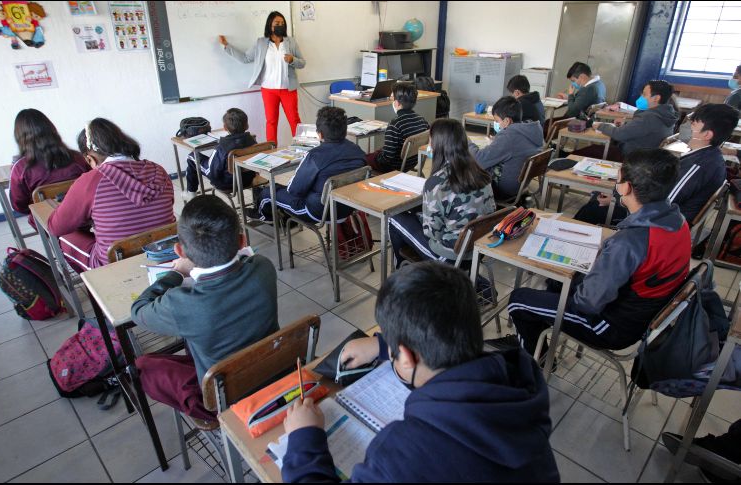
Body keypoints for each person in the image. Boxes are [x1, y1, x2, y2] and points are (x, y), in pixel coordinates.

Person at [282, 261, 560, 482]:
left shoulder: (403, 454)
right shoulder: (518, 384)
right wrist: (384, 346)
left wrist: (304, 437)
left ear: (405, 356)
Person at [508, 149, 690, 356]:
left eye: (617, 179)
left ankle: (532, 363)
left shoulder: (629, 242)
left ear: (626, 187)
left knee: (518, 299)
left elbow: (587, 303)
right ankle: (539, 338)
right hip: (643, 313)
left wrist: (583, 274)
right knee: (555, 283)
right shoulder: (678, 221)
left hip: (611, 326)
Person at [132, 195, 279, 428]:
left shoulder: (181, 304)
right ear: (242, 241)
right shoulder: (263, 268)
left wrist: (176, 274)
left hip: (226, 400)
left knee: (143, 366)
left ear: (179, 250)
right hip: (274, 374)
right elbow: (244, 264)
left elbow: (138, 310)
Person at [575, 103, 735, 228]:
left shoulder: (699, 166)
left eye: (693, 123)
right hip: (659, 215)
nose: (687, 126)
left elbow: (663, 205)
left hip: (655, 224)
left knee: (594, 207)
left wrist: (619, 201)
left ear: (707, 134)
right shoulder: (706, 156)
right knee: (607, 194)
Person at [47, 118, 176, 272]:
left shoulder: (90, 181)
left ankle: (94, 286)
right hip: (165, 252)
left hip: (114, 263)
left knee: (64, 237)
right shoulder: (158, 170)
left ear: (90, 159)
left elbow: (55, 227)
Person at [388, 118, 496, 268]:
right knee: (416, 214)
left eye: (430, 141)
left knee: (394, 218)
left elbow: (433, 234)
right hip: (477, 250)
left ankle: (402, 271)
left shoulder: (436, 183)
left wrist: (421, 217)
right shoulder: (481, 174)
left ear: (438, 145)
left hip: (449, 256)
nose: (429, 146)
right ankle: (476, 281)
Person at [249, 106, 365, 223]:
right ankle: (282, 214)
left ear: (319, 135)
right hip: (349, 206)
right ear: (345, 130)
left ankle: (264, 217)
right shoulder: (357, 150)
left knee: (268, 192)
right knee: (283, 189)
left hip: (318, 211)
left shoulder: (314, 156)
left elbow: (294, 190)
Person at [220, 11, 305, 144]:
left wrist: (292, 59)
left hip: (288, 89)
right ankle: (272, 152)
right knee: (271, 122)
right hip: (268, 90)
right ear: (270, 25)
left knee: (294, 120)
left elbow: (302, 63)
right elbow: (245, 58)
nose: (280, 25)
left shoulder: (291, 42)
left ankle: (303, 148)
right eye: (277, 23)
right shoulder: (261, 43)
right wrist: (227, 46)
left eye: (282, 23)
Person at [8, 109, 90, 228]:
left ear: (20, 137)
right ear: (52, 130)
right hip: (84, 216)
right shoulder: (78, 157)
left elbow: (18, 205)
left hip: (48, 221)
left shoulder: (21, 168)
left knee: (36, 215)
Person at [468, 96, 543, 200]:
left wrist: (467, 143)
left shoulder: (509, 137)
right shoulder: (531, 130)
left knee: (466, 165)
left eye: (497, 121)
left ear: (507, 121)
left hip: (505, 189)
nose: (496, 124)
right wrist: (498, 141)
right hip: (521, 184)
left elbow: (479, 160)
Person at [183, 108, 257, 201]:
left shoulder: (222, 147)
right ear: (247, 125)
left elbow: (212, 173)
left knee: (192, 156)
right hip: (248, 179)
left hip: (226, 183)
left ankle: (191, 194)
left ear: (225, 128)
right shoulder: (253, 141)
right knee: (218, 162)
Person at [592, 80, 679, 158]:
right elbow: (641, 130)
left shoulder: (650, 117)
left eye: (644, 95)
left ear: (656, 98)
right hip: (645, 156)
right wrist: (627, 126)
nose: (641, 97)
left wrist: (600, 125)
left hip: (632, 158)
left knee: (589, 150)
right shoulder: (667, 114)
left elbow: (620, 134)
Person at [365, 82, 430, 173]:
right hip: (412, 162)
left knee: (364, 159)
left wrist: (375, 157)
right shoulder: (421, 120)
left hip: (395, 166)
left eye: (393, 98)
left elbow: (387, 158)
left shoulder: (395, 124)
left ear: (396, 103)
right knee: (378, 152)